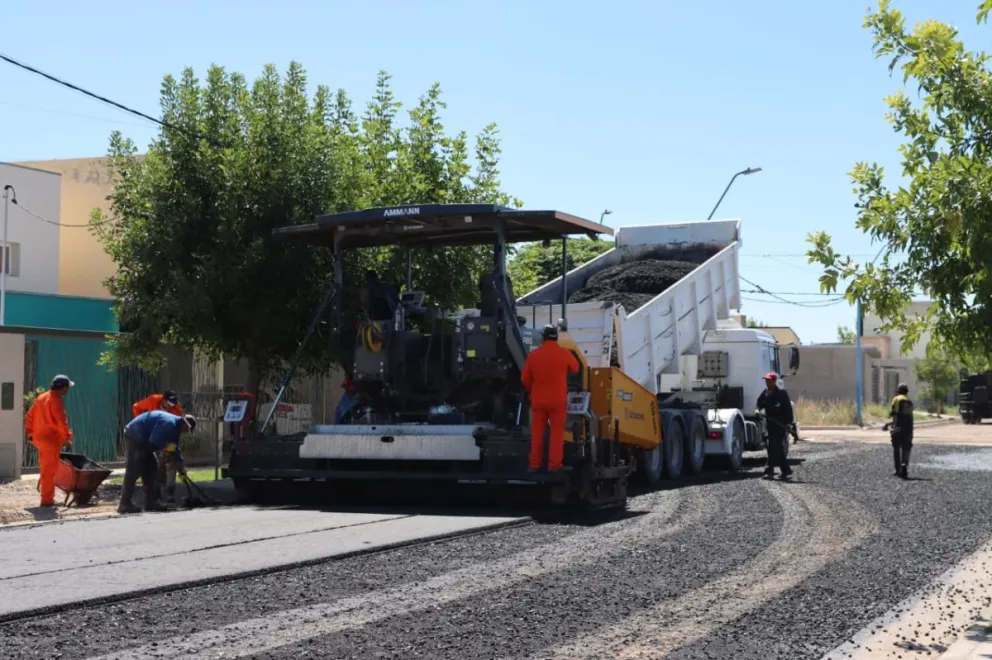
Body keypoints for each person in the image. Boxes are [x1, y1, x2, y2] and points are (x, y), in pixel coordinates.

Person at [521, 324, 579, 472]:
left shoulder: (534, 355)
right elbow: (576, 368)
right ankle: (554, 465)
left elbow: (524, 378)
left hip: (538, 400)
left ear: (542, 337)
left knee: (537, 433)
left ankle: (534, 464)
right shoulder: (563, 353)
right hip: (558, 401)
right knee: (556, 434)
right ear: (556, 337)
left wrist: (531, 391)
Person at [118, 411, 196, 514]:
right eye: (187, 430)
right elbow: (154, 440)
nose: (186, 432)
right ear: (184, 424)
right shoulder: (169, 423)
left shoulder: (175, 429)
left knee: (152, 468)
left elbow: (175, 449)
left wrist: (181, 468)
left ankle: (150, 502)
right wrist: (166, 451)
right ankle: (124, 503)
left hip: (145, 440)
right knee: (134, 468)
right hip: (135, 434)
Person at [24, 375, 74, 507]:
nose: (68, 390)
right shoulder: (56, 400)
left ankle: (46, 493)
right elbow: (61, 421)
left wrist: (29, 433)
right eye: (67, 387)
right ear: (62, 387)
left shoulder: (41, 397)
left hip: (39, 439)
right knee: (49, 471)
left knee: (46, 468)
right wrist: (67, 436)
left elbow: (29, 415)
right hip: (50, 441)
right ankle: (46, 500)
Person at [131, 391, 184, 502]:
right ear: (163, 400)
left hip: (167, 439)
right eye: (169, 403)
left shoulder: (177, 410)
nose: (171, 406)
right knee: (153, 464)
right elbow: (136, 406)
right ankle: (155, 490)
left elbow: (175, 434)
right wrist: (141, 422)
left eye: (173, 404)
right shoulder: (153, 400)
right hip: (151, 437)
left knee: (171, 462)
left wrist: (173, 454)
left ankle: (169, 490)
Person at [756, 372, 796, 480]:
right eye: (766, 380)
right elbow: (759, 404)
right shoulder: (765, 393)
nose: (767, 382)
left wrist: (789, 424)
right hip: (769, 425)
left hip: (780, 426)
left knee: (775, 447)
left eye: (769, 381)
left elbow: (788, 409)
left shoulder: (782, 394)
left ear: (774, 381)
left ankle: (769, 470)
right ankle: (785, 470)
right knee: (772, 448)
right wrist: (757, 411)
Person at [884, 383, 914, 479]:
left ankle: (898, 470)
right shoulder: (909, 401)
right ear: (907, 392)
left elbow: (895, 415)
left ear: (898, 391)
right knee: (906, 447)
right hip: (909, 427)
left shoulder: (896, 399)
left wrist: (893, 427)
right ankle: (904, 464)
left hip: (899, 427)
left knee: (896, 447)